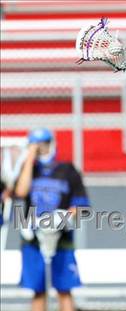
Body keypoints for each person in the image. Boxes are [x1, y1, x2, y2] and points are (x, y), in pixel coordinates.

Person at [14, 128, 90, 311]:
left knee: (64, 290)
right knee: (38, 291)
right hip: (34, 239)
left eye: (44, 144)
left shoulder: (67, 171)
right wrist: (30, 158)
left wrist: (61, 219)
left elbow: (80, 205)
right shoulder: (29, 170)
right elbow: (21, 192)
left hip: (61, 238)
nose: (41, 149)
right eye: (36, 145)